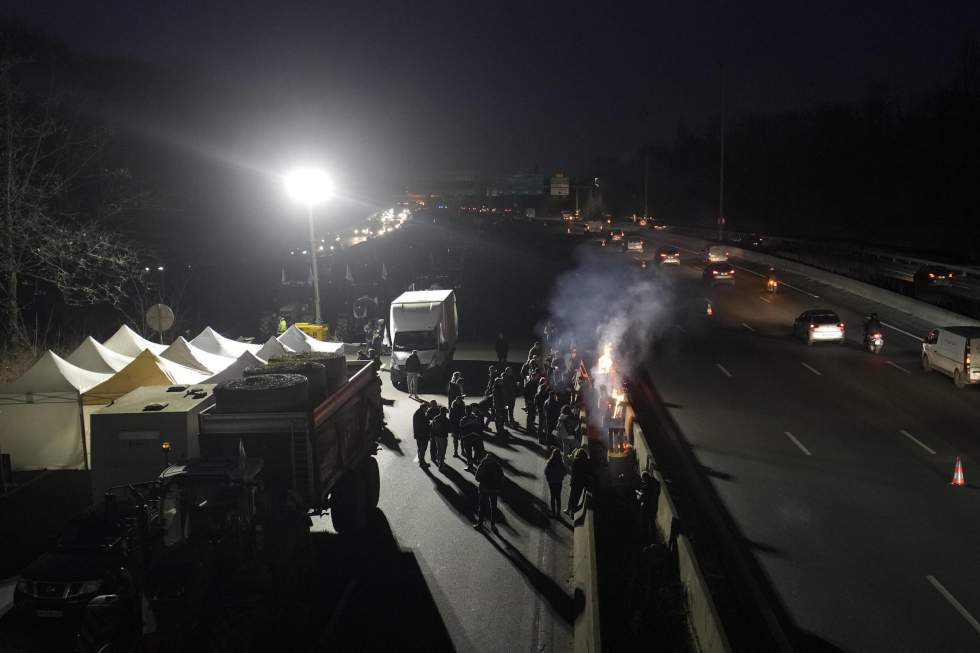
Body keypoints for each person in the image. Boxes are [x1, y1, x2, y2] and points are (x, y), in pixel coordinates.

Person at [474, 452, 504, 530]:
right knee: (493, 507)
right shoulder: (498, 467)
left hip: (484, 490)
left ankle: (480, 524)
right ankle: (493, 525)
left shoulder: (482, 466)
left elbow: (477, 478)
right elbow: (501, 479)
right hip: (494, 490)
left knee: (482, 507)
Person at [636, 471, 660, 543]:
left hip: (647, 507)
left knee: (647, 523)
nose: (643, 481)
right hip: (654, 506)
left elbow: (641, 497)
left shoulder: (646, 487)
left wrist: (638, 492)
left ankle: (649, 538)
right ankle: (653, 537)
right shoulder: (656, 483)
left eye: (643, 479)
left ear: (645, 478)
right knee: (652, 522)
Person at [566, 448, 591, 516]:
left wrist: (574, 452)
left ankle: (568, 509)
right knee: (577, 497)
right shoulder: (587, 462)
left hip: (574, 482)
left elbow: (572, 469)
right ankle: (572, 512)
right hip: (581, 483)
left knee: (572, 497)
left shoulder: (576, 461)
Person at [459, 405, 484, 471]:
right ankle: (475, 462)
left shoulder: (463, 419)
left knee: (468, 453)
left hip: (467, 438)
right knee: (476, 451)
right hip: (476, 437)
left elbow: (461, 429)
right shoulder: (476, 418)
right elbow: (480, 427)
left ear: (466, 411)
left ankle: (470, 466)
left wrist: (462, 437)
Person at [544, 448, 567, 518]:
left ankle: (553, 513)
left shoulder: (549, 462)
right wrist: (561, 477)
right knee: (558, 497)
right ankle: (558, 514)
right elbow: (565, 472)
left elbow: (546, 472)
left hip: (551, 482)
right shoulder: (560, 463)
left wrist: (549, 478)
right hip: (558, 482)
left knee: (552, 497)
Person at [534, 379, 550, 444]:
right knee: (543, 425)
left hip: (541, 411)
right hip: (543, 412)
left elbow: (535, 403)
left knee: (542, 425)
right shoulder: (546, 395)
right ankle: (544, 439)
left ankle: (541, 438)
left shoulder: (537, 395)